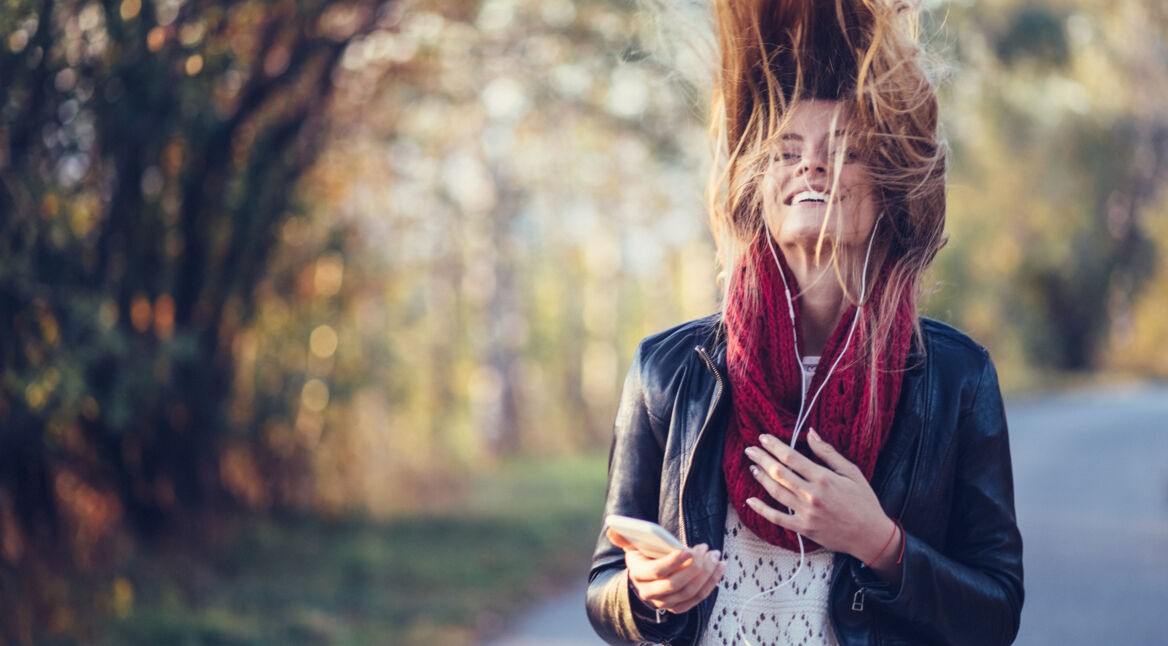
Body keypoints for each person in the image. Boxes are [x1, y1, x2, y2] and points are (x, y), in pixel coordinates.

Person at [585, 1, 1024, 644]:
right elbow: (605, 588)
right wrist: (646, 593)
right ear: (761, 190)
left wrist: (880, 543)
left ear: (885, 190)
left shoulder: (955, 379)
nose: (810, 167)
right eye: (786, 152)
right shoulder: (668, 371)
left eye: (842, 152)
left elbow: (996, 612)